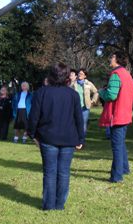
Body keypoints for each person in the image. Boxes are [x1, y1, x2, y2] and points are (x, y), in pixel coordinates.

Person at [27, 62, 84, 210]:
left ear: (51, 75)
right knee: (63, 173)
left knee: (50, 173)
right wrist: (80, 138)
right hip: (66, 138)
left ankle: (50, 205)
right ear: (67, 76)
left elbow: (34, 117)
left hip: (48, 138)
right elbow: (79, 119)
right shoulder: (73, 94)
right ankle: (58, 205)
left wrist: (32, 134)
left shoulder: (42, 92)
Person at [98, 51, 133, 183]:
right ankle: (124, 168)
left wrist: (101, 92)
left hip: (117, 114)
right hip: (125, 113)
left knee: (117, 146)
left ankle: (116, 176)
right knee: (121, 144)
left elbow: (112, 95)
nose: (110, 58)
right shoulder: (127, 74)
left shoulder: (116, 74)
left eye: (112, 57)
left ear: (117, 59)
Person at [69, 68, 99, 138]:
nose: (80, 75)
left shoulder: (88, 84)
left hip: (85, 108)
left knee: (83, 124)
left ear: (85, 76)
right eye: (79, 73)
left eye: (82, 74)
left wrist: (93, 101)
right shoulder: (73, 84)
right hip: (75, 107)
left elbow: (96, 92)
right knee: (75, 123)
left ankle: (81, 140)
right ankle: (75, 139)